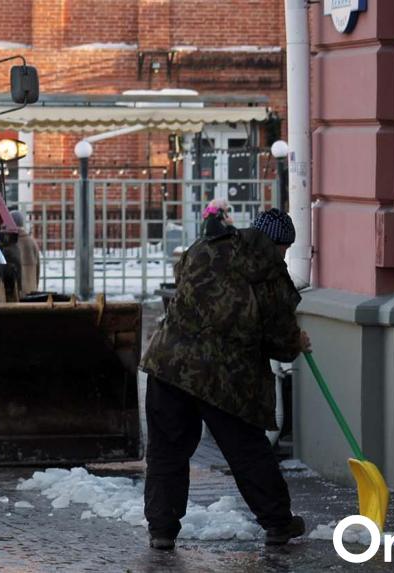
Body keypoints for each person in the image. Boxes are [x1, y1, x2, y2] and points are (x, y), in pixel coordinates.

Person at [140, 208, 311, 550]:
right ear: (279, 245)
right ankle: (278, 523)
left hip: (169, 364)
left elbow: (187, 291)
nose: (284, 255)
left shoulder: (204, 247)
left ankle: (162, 530)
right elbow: (280, 337)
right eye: (285, 249)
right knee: (248, 451)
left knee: (166, 452)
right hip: (224, 378)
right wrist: (297, 342)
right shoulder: (271, 272)